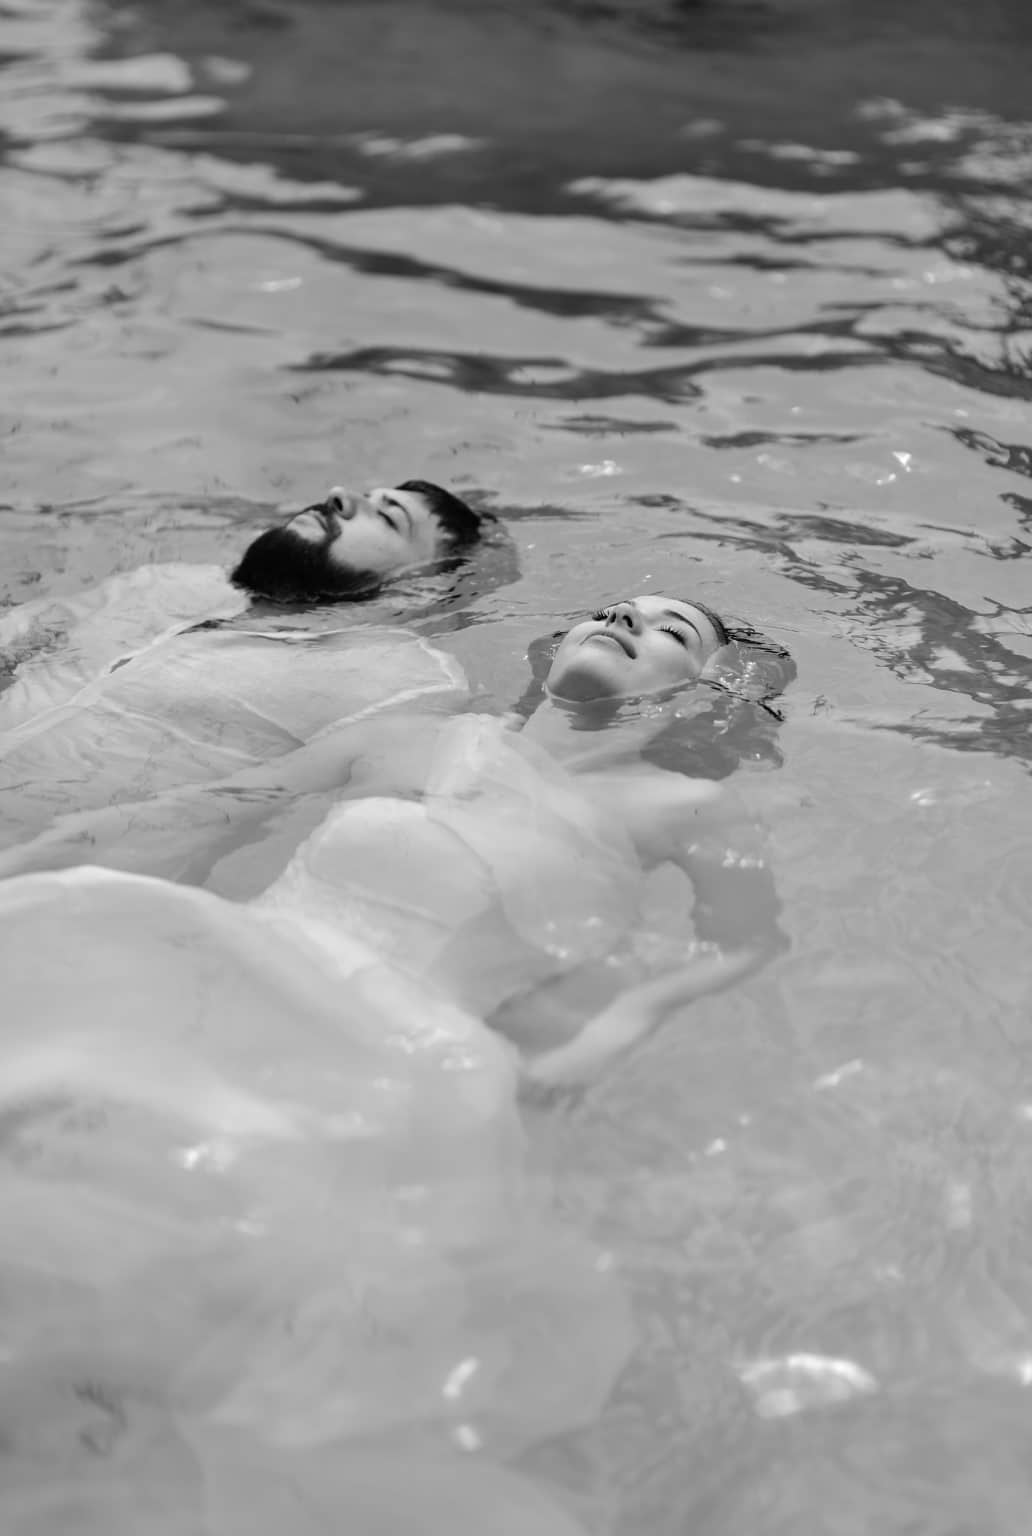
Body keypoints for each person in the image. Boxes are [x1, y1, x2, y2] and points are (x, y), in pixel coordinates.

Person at [0, 593, 791, 1088]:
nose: (622, 620)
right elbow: (204, 808)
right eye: (611, 611)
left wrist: (616, 1028)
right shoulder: (410, 738)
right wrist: (36, 857)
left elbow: (745, 944)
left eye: (670, 630)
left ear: (703, 692)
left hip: (398, 1067)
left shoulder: (680, 806)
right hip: (230, 976)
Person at [0, 479, 491, 847]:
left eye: (388, 518)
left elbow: (246, 808)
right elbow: (18, 639)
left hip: (54, 867)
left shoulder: (395, 678)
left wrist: (42, 856)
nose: (340, 495)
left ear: (423, 584)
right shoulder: (170, 583)